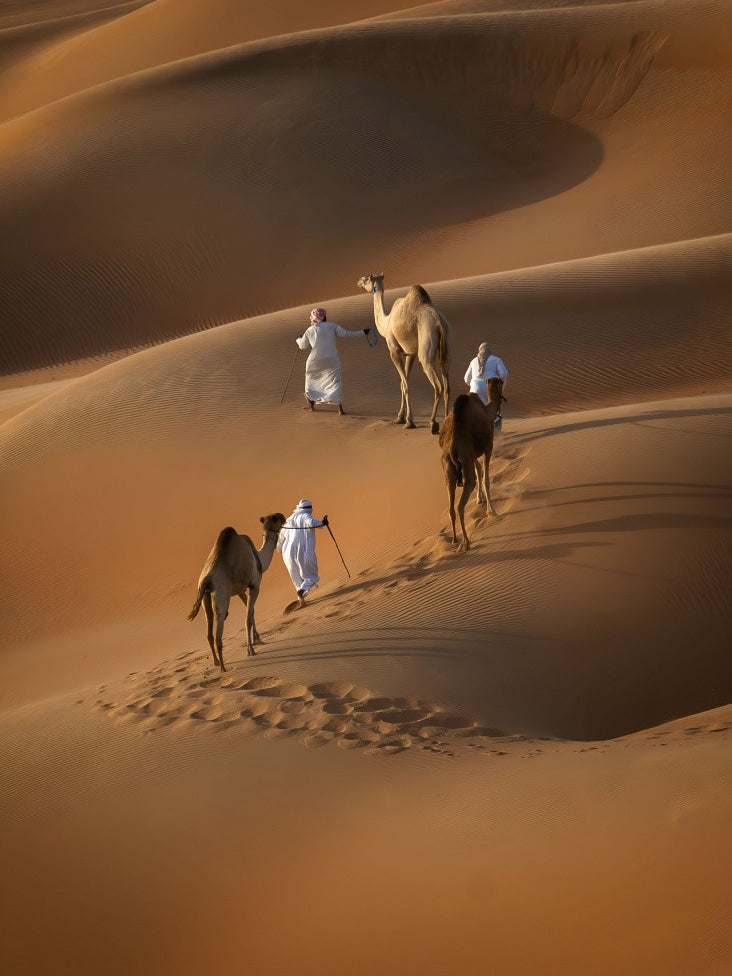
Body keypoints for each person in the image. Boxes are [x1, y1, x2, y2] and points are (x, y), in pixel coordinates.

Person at [297, 307, 370, 415]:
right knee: (335, 383)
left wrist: (298, 339)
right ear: (324, 316)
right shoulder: (332, 326)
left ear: (313, 317)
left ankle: (311, 406)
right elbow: (347, 334)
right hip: (332, 359)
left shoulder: (310, 330)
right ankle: (340, 409)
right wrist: (363, 332)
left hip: (315, 361)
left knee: (310, 382)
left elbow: (303, 346)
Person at [277, 499, 329, 608]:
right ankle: (301, 592)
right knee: (310, 574)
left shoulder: (290, 519)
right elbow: (311, 523)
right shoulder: (305, 515)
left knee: (296, 577)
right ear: (309, 508)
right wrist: (322, 522)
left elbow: (280, 538)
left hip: (287, 554)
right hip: (301, 551)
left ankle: (301, 599)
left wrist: (280, 548)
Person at [464, 341, 508, 426]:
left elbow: (466, 378)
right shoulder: (496, 359)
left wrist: (474, 385)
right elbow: (504, 374)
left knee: (476, 409)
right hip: (490, 387)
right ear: (489, 350)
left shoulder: (473, 361)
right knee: (495, 408)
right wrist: (500, 385)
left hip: (474, 388)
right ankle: (496, 430)